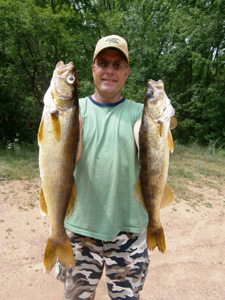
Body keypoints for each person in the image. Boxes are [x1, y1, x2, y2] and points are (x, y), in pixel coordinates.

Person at [55, 35, 149, 300]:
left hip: (129, 232)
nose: (110, 70)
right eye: (103, 63)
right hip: (80, 231)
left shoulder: (141, 113)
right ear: (93, 69)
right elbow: (63, 159)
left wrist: (152, 130)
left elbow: (147, 146)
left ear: (127, 72)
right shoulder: (73, 110)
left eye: (117, 65)